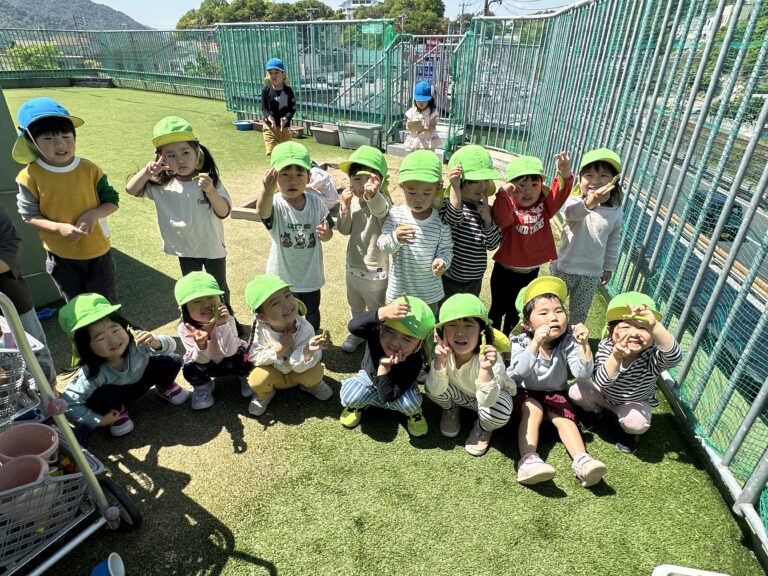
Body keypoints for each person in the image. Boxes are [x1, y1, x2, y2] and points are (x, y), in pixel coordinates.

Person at [126, 116, 244, 334]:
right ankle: (194, 324)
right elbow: (131, 190)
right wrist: (147, 171)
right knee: (191, 289)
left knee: (218, 288)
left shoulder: (208, 180)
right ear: (160, 158)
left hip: (211, 247)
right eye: (170, 155)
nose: (180, 160)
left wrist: (210, 191)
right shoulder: (162, 184)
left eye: (185, 152)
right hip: (185, 249)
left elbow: (223, 212)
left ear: (197, 152)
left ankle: (227, 322)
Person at [14, 97, 119, 303]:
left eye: (66, 136)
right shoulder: (29, 176)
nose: (60, 144)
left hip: (98, 252)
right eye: (49, 139)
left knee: (107, 304)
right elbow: (29, 215)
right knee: (77, 308)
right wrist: (59, 228)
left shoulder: (90, 169)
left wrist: (93, 214)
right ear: (30, 141)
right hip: (61, 257)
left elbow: (112, 201)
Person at [507, 277, 606, 487]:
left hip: (554, 395)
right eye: (543, 313)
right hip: (525, 395)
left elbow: (582, 373)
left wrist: (584, 345)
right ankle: (528, 461)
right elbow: (519, 372)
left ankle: (582, 460)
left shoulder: (568, 343)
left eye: (559, 311)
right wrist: (535, 343)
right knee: (534, 409)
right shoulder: (519, 342)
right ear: (527, 324)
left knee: (564, 419)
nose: (554, 317)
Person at [58, 293, 188, 439]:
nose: (113, 339)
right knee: (101, 397)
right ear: (85, 346)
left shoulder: (137, 341)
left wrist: (157, 342)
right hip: (116, 396)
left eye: (115, 329)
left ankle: (165, 386)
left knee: (172, 361)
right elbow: (69, 403)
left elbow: (171, 346)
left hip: (142, 379)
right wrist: (98, 420)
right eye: (100, 338)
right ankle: (118, 412)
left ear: (124, 325)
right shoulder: (91, 372)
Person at [569, 292, 682, 454]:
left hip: (632, 402)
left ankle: (628, 433)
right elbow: (601, 382)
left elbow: (674, 357)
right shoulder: (607, 347)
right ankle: (595, 412)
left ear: (652, 335)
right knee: (575, 391)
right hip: (603, 394)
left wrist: (655, 325)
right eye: (626, 326)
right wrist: (616, 356)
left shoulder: (652, 355)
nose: (634, 333)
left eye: (643, 328)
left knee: (636, 423)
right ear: (610, 331)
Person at [489, 153, 573, 335]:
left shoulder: (544, 207)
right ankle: (491, 341)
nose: (528, 191)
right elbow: (501, 218)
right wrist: (503, 194)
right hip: (504, 271)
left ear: (541, 187)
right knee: (497, 309)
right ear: (511, 187)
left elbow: (559, 195)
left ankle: (511, 343)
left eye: (534, 185)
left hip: (530, 273)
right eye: (521, 186)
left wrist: (564, 173)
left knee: (518, 311)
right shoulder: (509, 207)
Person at [425, 294, 515, 456]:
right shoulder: (443, 353)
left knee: (501, 409)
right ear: (442, 332)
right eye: (452, 325)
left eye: (468, 325)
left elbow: (488, 400)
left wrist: (486, 370)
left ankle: (484, 427)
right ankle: (451, 409)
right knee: (432, 386)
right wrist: (440, 362)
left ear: (482, 330)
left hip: (487, 400)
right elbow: (434, 390)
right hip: (460, 395)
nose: (460, 332)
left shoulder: (491, 357)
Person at [256, 142, 333, 332]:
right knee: (286, 312)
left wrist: (326, 234)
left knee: (312, 310)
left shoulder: (315, 201)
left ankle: (311, 338)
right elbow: (263, 212)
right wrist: (266, 190)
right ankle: (288, 339)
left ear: (308, 177)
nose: (293, 181)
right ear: (275, 177)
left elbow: (328, 229)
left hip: (310, 274)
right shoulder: (275, 203)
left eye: (299, 174)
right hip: (282, 276)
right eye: (285, 175)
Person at [339, 295, 435, 437]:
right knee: (350, 395)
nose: (395, 342)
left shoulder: (415, 360)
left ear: (420, 343)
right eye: (390, 330)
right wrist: (381, 313)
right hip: (369, 380)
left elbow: (387, 396)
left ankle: (413, 414)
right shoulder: (376, 333)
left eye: (407, 338)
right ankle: (356, 406)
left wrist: (384, 368)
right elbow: (353, 327)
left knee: (411, 404)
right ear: (382, 326)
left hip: (395, 390)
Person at [550, 148, 624, 325]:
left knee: (579, 313)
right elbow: (571, 214)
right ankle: (548, 340)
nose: (595, 181)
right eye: (589, 176)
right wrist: (592, 202)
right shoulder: (574, 201)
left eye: (604, 176)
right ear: (580, 179)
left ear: (614, 181)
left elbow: (613, 240)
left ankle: (574, 343)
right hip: (564, 267)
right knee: (552, 307)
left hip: (591, 273)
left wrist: (609, 266)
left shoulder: (615, 211)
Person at [244, 274, 332, 416]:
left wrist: (308, 350)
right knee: (256, 379)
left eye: (287, 295)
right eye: (274, 303)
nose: (286, 304)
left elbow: (299, 365)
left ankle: (311, 386)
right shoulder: (259, 328)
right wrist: (278, 350)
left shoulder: (305, 327)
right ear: (262, 317)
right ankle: (265, 393)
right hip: (275, 374)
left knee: (316, 373)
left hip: (300, 373)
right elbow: (253, 357)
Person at [378, 150, 453, 314]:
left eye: (427, 193)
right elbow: (383, 245)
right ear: (402, 186)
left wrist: (442, 261)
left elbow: (446, 249)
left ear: (438, 188)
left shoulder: (440, 220)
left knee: (426, 332)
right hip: (399, 291)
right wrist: (395, 237)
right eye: (411, 192)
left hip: (429, 293)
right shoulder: (396, 214)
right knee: (397, 332)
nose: (419, 199)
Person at [337, 146, 392, 353]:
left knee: (376, 310)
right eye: (356, 179)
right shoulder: (353, 202)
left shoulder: (383, 200)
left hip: (375, 269)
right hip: (353, 264)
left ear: (381, 181)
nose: (361, 185)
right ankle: (358, 332)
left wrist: (372, 194)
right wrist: (344, 207)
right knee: (355, 304)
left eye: (367, 178)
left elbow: (381, 211)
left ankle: (376, 339)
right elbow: (344, 230)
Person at [175, 271, 253, 411]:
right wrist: (201, 345)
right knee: (190, 367)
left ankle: (246, 376)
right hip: (207, 364)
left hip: (230, 358)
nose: (206, 304)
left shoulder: (228, 319)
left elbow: (230, 351)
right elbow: (201, 361)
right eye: (197, 301)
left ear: (221, 299)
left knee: (245, 355)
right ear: (185, 308)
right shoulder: (185, 328)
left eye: (211, 297)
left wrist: (223, 325)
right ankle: (203, 387)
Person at [0, 206, 55, 386]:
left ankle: (49, 393)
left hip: (11, 301)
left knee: (33, 348)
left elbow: (10, 248)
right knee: (5, 357)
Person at [441, 144, 501, 300]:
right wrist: (455, 189)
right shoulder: (448, 204)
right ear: (458, 181)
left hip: (474, 278)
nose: (482, 186)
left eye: (486, 180)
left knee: (467, 314)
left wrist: (487, 219)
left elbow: (492, 244)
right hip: (448, 276)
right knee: (446, 315)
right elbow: (454, 219)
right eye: (475, 180)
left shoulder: (486, 210)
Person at [261, 58, 296, 156]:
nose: (273, 75)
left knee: (285, 153)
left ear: (283, 75)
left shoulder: (288, 91)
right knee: (271, 152)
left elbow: (292, 108)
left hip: (283, 128)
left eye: (276, 72)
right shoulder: (265, 90)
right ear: (267, 75)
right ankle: (275, 169)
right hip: (269, 126)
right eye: (270, 72)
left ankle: (282, 170)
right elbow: (263, 108)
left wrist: (286, 118)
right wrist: (268, 117)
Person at [404, 81, 441, 151]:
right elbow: (407, 125)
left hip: (427, 142)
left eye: (424, 101)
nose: (421, 104)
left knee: (427, 159)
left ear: (429, 100)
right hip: (414, 141)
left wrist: (423, 129)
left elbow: (433, 127)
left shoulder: (431, 112)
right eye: (418, 101)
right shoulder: (412, 111)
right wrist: (412, 125)